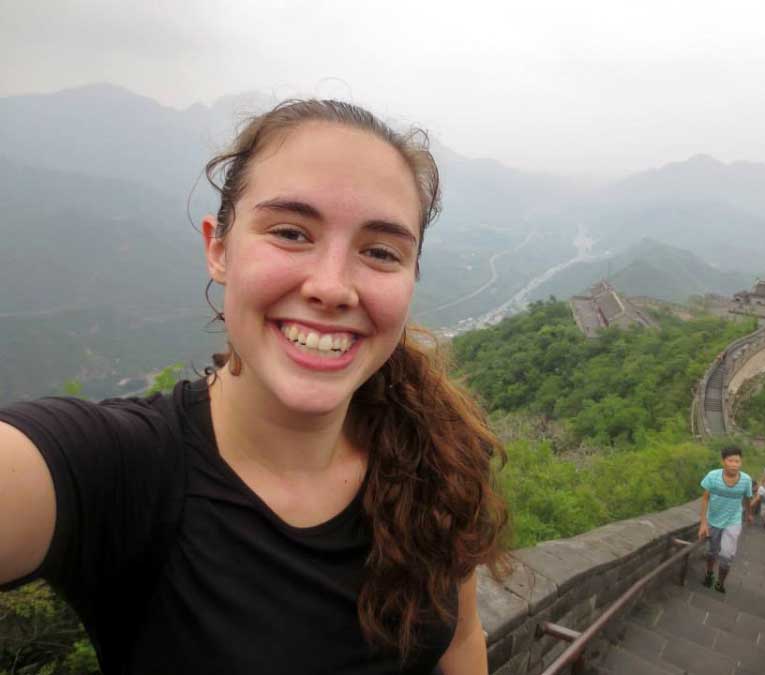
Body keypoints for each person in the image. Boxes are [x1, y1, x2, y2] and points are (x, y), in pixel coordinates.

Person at [0, 100, 509, 674]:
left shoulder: (435, 453)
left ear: (411, 277)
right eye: (291, 232)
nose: (332, 286)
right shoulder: (123, 470)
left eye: (380, 252)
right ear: (218, 248)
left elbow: (461, 640)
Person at [698, 446, 754, 593]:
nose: (734, 464)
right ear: (723, 461)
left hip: (733, 521)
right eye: (730, 461)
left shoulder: (746, 480)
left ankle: (720, 582)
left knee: (726, 555)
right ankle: (709, 573)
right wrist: (703, 523)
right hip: (713, 519)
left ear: (741, 462)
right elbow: (705, 499)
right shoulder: (712, 476)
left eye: (737, 461)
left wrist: (749, 513)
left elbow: (747, 499)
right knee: (712, 551)